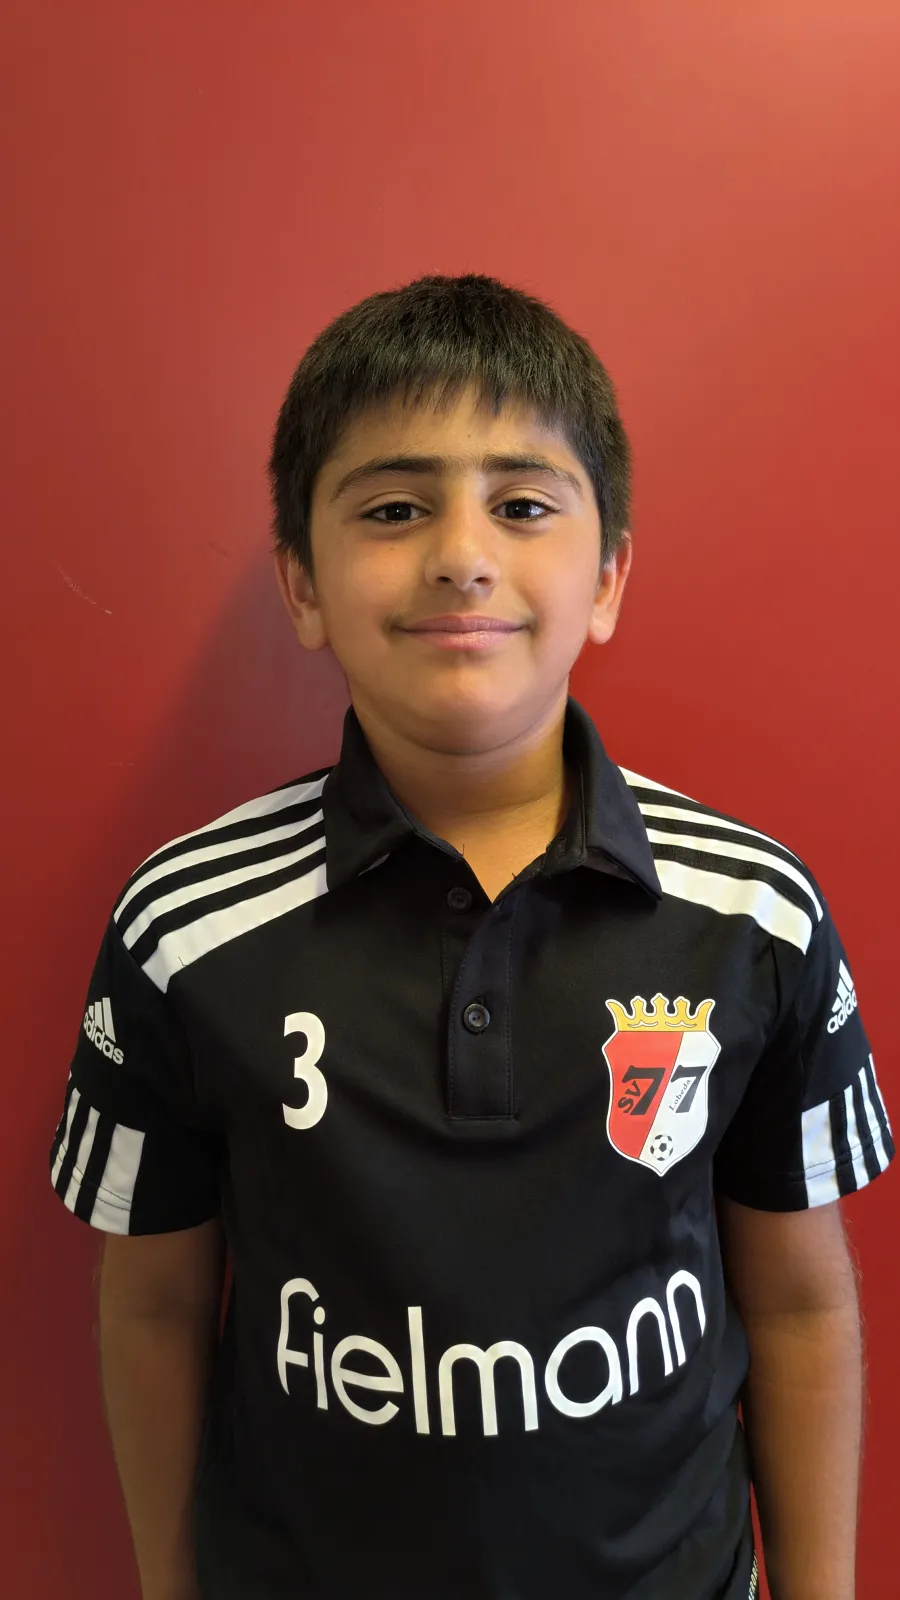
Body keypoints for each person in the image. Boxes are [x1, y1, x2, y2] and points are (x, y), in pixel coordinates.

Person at [49, 272, 892, 1600]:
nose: (461, 553)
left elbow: (798, 1302)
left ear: (607, 576)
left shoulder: (752, 915)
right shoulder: (184, 927)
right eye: (393, 508)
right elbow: (152, 1305)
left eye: (523, 505)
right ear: (302, 583)